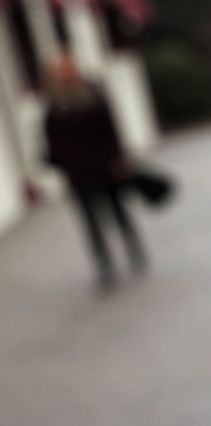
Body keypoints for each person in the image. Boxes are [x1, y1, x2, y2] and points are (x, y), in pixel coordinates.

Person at [44, 52, 146, 291]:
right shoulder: (55, 105)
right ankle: (105, 266)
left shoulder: (92, 96)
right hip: (79, 175)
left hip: (105, 169)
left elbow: (110, 131)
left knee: (118, 213)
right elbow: (51, 142)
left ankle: (134, 251)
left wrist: (118, 158)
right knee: (91, 223)